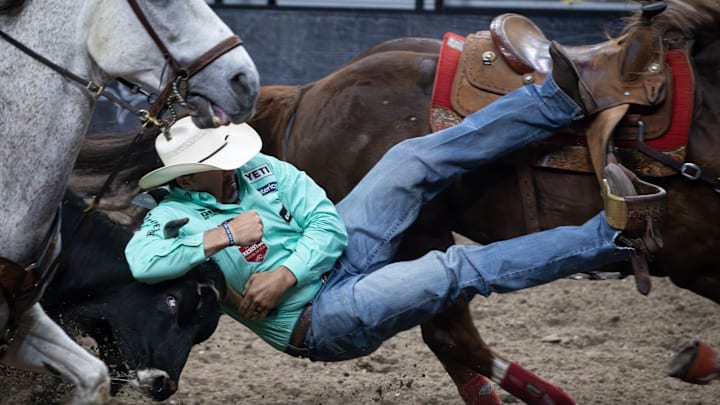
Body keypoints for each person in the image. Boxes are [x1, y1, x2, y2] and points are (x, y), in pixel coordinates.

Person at [125, 42, 661, 405]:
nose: (234, 158)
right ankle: (612, 236)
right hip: (320, 321)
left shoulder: (263, 168)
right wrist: (221, 236)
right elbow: (142, 261)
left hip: (331, 265)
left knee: (410, 161)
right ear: (194, 173)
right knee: (452, 268)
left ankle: (555, 101)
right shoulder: (173, 216)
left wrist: (286, 275)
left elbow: (327, 227)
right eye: (221, 156)